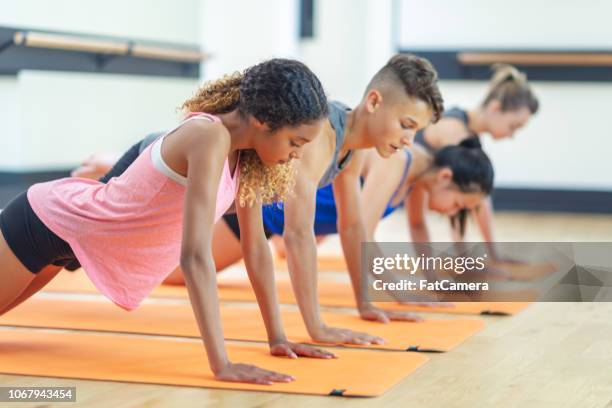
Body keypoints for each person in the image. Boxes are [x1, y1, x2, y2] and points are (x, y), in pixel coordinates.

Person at [0, 59, 338, 385]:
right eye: (296, 142)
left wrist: (277, 338)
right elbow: (194, 256)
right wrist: (222, 363)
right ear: (264, 120)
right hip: (45, 224)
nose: (297, 155)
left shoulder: (247, 158)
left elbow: (256, 247)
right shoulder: (209, 136)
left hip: (70, 243)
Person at [414, 64, 539, 262]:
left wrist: (492, 255)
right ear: (495, 108)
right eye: (513, 126)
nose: (512, 134)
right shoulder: (455, 131)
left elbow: (476, 199)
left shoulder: (469, 135)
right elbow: (462, 200)